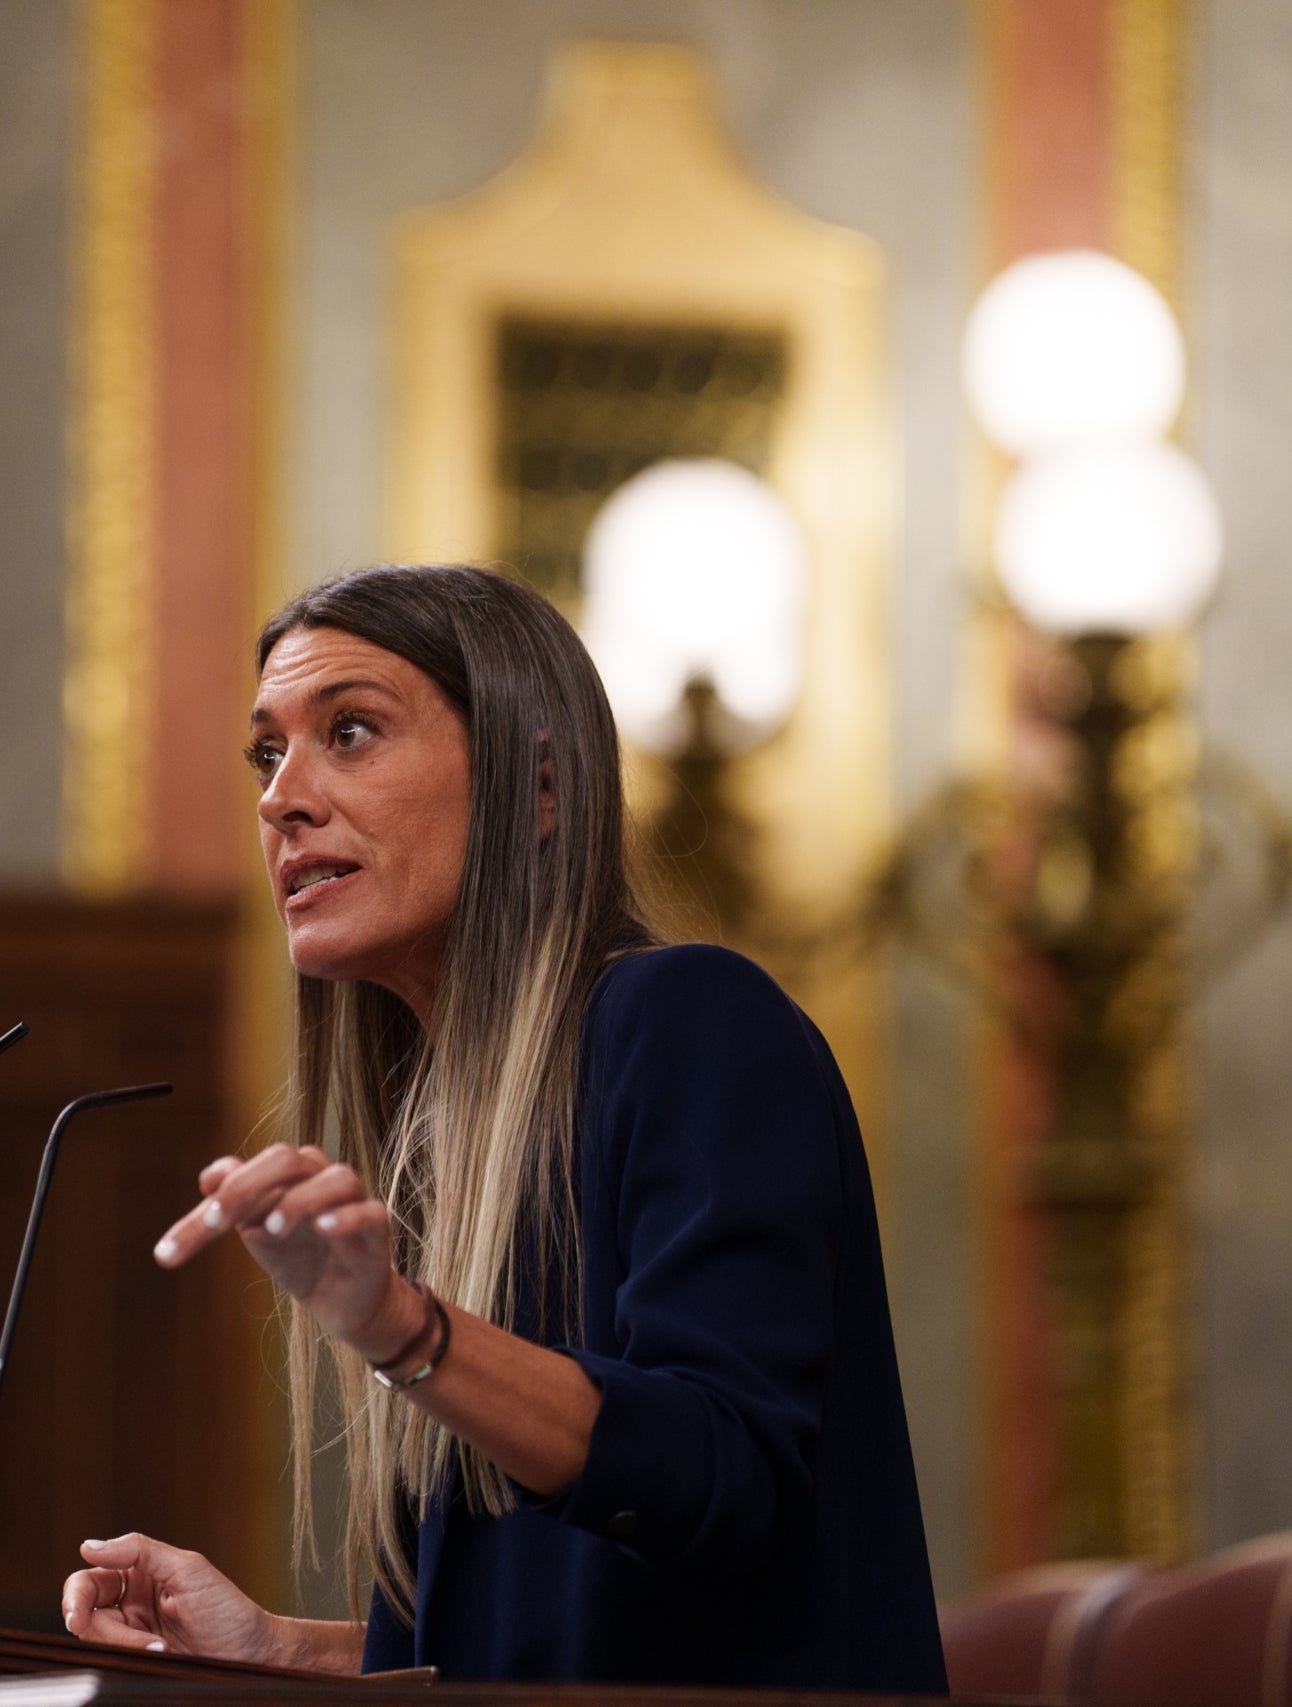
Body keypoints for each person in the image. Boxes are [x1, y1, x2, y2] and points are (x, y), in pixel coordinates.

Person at [59, 564, 946, 1691]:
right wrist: (274, 1650)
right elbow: (522, 1652)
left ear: (538, 788)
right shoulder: (442, 1139)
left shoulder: (691, 1020)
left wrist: (404, 1328)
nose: (282, 798)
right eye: (267, 754)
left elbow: (719, 1477)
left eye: (350, 731)